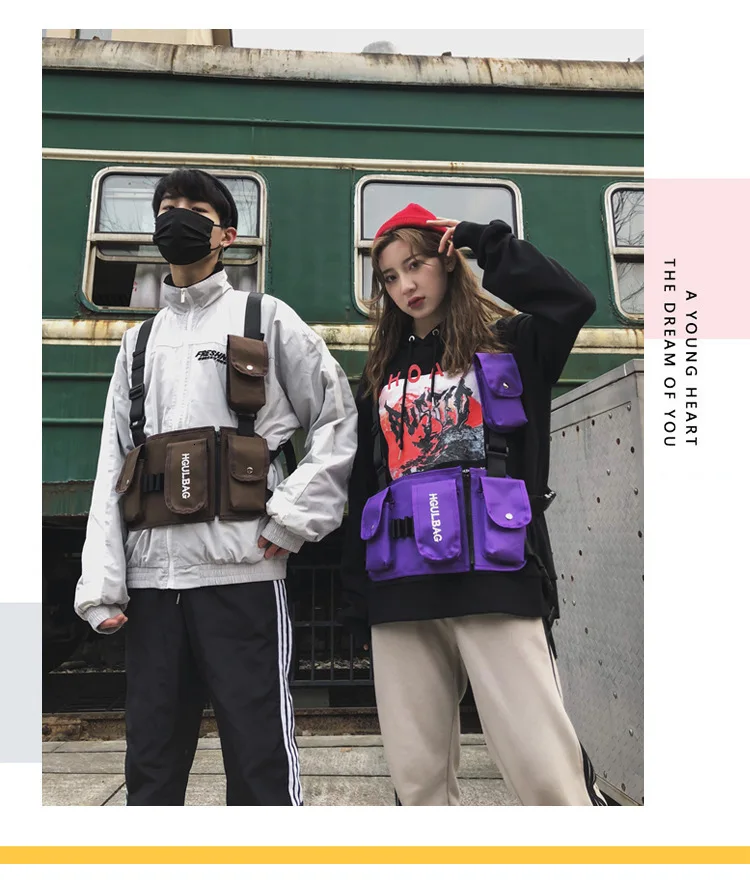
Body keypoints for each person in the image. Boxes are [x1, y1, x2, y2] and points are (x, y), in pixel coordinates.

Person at [74, 169, 358, 806]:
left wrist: (291, 518)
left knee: (260, 763)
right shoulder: (137, 344)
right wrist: (102, 583)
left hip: (242, 575)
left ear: (227, 234)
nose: (177, 216)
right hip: (152, 585)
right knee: (150, 766)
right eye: (167, 207)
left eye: (195, 209)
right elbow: (114, 463)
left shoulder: (266, 319)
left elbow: (337, 419)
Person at [340, 203, 607, 806]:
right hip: (400, 587)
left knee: (547, 773)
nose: (405, 286)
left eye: (416, 265)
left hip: (496, 576)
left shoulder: (513, 344)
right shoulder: (378, 374)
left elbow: (573, 301)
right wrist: (359, 597)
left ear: (447, 262)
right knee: (419, 780)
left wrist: (484, 241)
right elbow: (364, 485)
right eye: (390, 276)